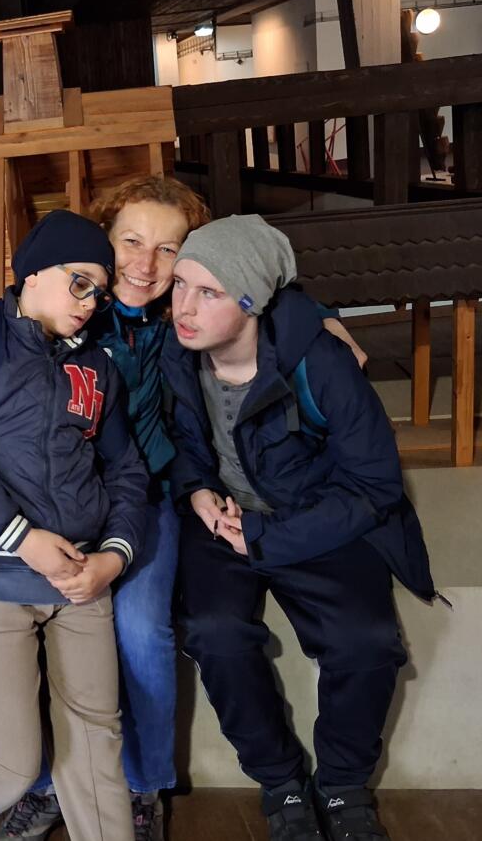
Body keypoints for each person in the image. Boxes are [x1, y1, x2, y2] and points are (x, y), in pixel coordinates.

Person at [0, 179, 370, 841]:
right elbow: (5, 315)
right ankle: (48, 782)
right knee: (41, 624)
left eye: (168, 250)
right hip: (53, 497)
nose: (145, 264)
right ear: (101, 243)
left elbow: (263, 290)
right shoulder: (73, 305)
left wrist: (319, 313)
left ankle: (143, 786)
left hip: (148, 494)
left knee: (143, 630)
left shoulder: (185, 313)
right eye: (130, 242)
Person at [162, 215, 439, 841]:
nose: (183, 306)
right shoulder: (178, 354)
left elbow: (375, 484)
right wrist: (198, 489)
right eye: (180, 284)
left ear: (251, 303)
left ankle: (342, 786)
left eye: (208, 292)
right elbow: (183, 440)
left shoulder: (322, 363)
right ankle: (281, 783)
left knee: (366, 642)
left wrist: (270, 539)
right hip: (222, 520)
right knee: (213, 632)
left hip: (313, 516)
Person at [0, 209, 149, 841]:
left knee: (95, 746)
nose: (90, 302)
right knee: (9, 764)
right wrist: (22, 538)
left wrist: (114, 555)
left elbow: (125, 469)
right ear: (33, 274)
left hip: (80, 582)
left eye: (100, 291)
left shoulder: (97, 368)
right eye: (79, 283)